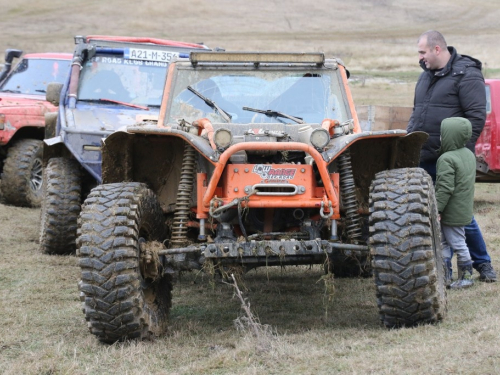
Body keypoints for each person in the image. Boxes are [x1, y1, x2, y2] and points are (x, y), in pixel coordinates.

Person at [407, 30, 497, 282]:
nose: (420, 57)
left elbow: (476, 118)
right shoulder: (425, 76)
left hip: (451, 158)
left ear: (437, 49)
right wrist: (408, 140)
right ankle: (433, 264)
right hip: (424, 155)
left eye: (423, 52)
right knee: (425, 211)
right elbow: (417, 112)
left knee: (459, 214)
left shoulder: (466, 75)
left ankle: (483, 264)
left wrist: (456, 153)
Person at [436, 117, 476, 288]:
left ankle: (466, 277)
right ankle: (446, 276)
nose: (440, 137)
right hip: (462, 208)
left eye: (442, 134)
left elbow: (445, 188)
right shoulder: (468, 154)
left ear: (450, 135)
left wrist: (436, 209)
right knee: (445, 242)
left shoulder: (446, 159)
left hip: (451, 211)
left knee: (457, 243)